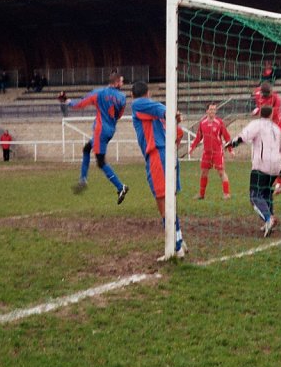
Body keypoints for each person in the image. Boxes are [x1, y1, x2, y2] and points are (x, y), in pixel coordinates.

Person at [131, 80, 187, 260]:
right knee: (169, 200)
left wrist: (170, 113)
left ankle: (176, 247)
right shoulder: (155, 114)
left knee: (162, 201)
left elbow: (161, 109)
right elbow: (179, 133)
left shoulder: (138, 104)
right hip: (169, 154)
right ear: (148, 93)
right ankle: (179, 240)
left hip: (157, 155)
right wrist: (171, 116)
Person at [227, 105, 281, 238]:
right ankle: (269, 221)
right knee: (266, 193)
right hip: (276, 166)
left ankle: (268, 218)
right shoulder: (277, 129)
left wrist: (232, 144)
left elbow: (244, 136)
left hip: (261, 164)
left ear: (260, 114)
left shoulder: (257, 124)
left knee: (254, 196)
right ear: (271, 115)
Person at [69, 72, 129, 203]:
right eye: (122, 81)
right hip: (110, 130)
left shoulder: (99, 93)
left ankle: (120, 187)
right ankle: (83, 179)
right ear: (116, 82)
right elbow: (119, 115)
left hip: (100, 130)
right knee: (86, 149)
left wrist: (68, 101)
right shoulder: (123, 98)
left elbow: (80, 104)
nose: (123, 84)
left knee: (101, 162)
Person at [188, 103, 234, 200]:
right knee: (204, 172)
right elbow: (198, 137)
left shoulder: (219, 122)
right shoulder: (202, 123)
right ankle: (201, 194)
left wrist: (230, 149)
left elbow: (226, 136)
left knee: (221, 172)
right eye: (211, 109)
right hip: (206, 153)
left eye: (214, 109)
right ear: (207, 111)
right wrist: (192, 147)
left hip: (217, 152)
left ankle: (226, 194)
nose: (213, 111)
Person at [252, 79, 281, 193]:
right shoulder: (258, 93)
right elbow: (256, 94)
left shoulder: (276, 99)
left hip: (276, 127)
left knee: (280, 154)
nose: (269, 95)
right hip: (265, 128)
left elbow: (272, 115)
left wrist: (258, 111)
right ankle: (274, 180)